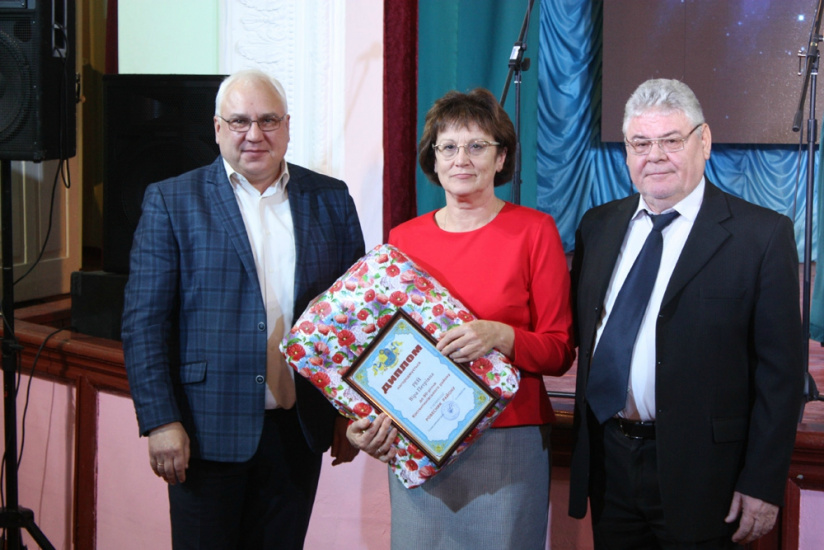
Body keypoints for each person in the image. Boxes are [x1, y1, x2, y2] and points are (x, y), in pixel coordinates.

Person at [121, 69, 365, 549]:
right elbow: (143, 324)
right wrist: (161, 420)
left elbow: (354, 318)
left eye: (268, 120)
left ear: (288, 127)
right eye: (239, 121)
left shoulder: (331, 199)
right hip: (203, 431)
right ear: (217, 128)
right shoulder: (172, 201)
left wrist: (347, 409)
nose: (254, 134)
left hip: (298, 431)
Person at [569, 78, 804, 548]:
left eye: (671, 140)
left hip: (706, 475)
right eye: (641, 143)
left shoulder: (761, 236)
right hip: (610, 465)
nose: (655, 156)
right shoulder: (598, 226)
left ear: (705, 141)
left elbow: (781, 378)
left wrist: (762, 481)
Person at [346, 88, 576, 549]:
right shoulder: (403, 239)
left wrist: (500, 335)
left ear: (501, 157)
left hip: (508, 441)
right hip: (421, 442)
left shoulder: (535, 231)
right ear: (433, 159)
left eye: (477, 146)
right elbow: (382, 352)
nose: (461, 159)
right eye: (448, 147)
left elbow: (559, 350)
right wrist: (363, 419)